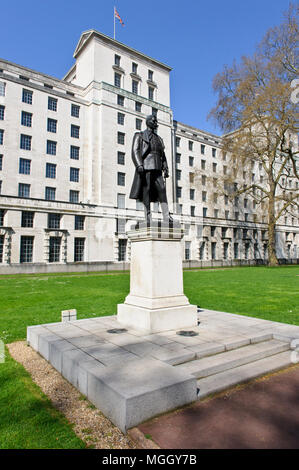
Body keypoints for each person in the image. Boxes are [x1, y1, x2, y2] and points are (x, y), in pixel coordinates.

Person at [129, 114, 173, 223]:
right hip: (146, 167)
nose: (155, 123)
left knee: (162, 191)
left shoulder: (159, 139)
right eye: (153, 121)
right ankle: (148, 218)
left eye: (156, 121)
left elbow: (163, 155)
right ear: (147, 122)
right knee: (146, 191)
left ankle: (167, 217)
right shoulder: (139, 135)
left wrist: (165, 167)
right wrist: (139, 165)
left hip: (157, 168)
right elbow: (135, 151)